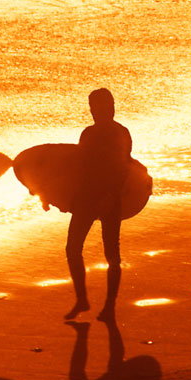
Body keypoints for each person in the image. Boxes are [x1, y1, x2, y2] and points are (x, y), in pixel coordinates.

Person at [65, 88, 132, 321]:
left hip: (110, 198)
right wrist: (65, 198)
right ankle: (82, 299)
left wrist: (111, 195)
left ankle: (110, 306)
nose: (97, 111)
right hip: (85, 197)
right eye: (93, 107)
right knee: (72, 249)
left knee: (111, 254)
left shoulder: (120, 133)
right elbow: (78, 167)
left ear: (112, 106)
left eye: (103, 106)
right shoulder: (88, 133)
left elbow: (124, 167)